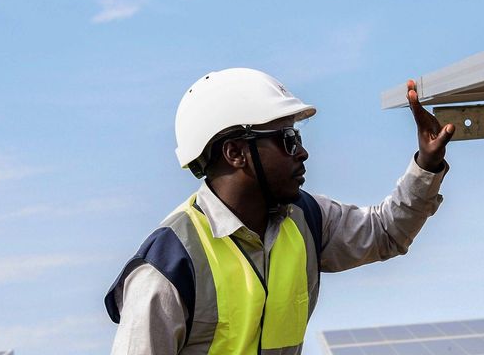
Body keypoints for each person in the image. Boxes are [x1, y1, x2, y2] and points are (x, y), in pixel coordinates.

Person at [104, 68, 454, 354]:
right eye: (287, 140)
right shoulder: (167, 268)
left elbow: (385, 233)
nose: (302, 153)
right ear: (235, 153)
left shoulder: (307, 219)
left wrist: (427, 164)